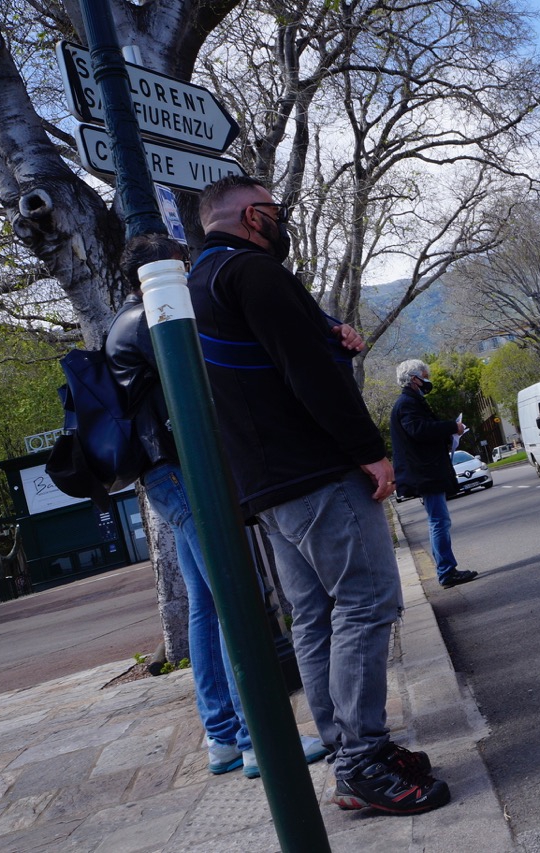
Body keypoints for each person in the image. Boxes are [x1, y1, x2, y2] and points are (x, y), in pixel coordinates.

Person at [188, 175, 449, 815]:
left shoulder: (200, 284)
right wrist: (368, 449)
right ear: (254, 216)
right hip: (316, 472)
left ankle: (347, 753)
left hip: (268, 487)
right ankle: (362, 758)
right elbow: (303, 372)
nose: (282, 223)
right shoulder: (254, 273)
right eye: (276, 213)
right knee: (366, 601)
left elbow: (268, 362)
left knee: (314, 616)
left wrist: (330, 332)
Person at [107, 233, 329, 779]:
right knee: (237, 595)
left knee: (207, 604)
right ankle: (260, 740)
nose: (187, 276)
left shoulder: (123, 323)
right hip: (184, 475)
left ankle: (223, 737)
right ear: (158, 271)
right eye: (180, 266)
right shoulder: (152, 321)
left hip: (164, 477)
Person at [390, 359, 479, 589]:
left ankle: (446, 569)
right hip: (425, 472)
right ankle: (447, 571)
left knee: (438, 520)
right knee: (439, 520)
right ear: (414, 380)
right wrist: (451, 427)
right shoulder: (408, 403)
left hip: (425, 471)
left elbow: (421, 432)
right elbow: (419, 430)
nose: (427, 378)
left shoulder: (410, 402)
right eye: (424, 375)